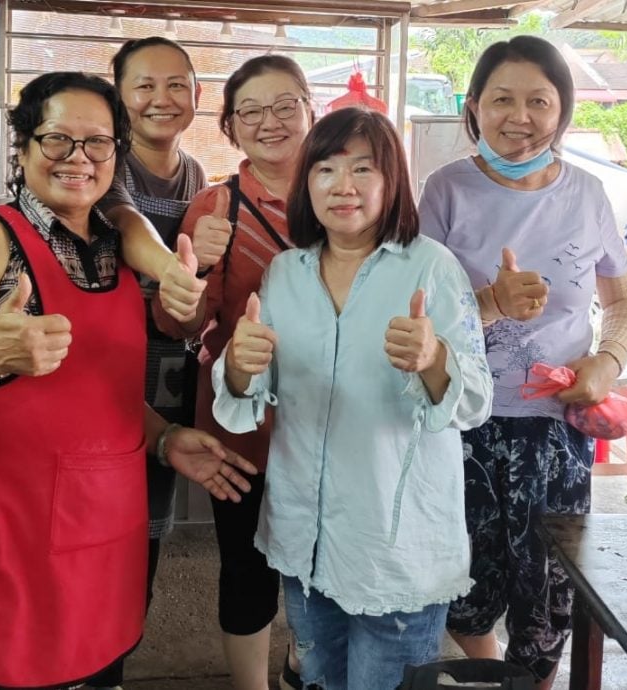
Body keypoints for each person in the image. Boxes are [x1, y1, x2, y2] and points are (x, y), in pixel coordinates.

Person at [0, 71, 256, 690]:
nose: (78, 158)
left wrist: (166, 438)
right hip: (4, 541)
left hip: (102, 538)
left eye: (97, 143)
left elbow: (101, 395)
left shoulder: (113, 246)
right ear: (24, 147)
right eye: (57, 140)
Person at [211, 106, 493, 690]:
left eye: (364, 169)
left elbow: (473, 404)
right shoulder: (285, 273)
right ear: (305, 181)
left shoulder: (431, 268)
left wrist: (435, 359)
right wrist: (238, 368)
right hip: (305, 540)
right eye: (326, 169)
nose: (343, 187)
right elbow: (250, 396)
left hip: (393, 549)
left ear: (392, 181)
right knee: (318, 679)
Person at [418, 36, 627, 689]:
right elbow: (412, 313)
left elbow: (618, 299)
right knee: (464, 594)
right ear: (473, 107)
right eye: (501, 99)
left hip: (556, 435)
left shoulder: (589, 193)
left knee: (548, 609)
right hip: (461, 426)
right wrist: (486, 301)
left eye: (538, 100)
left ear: (561, 111)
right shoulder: (443, 190)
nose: (519, 115)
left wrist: (607, 360)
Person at [149, 54, 313, 690]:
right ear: (230, 127)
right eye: (250, 111)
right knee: (247, 564)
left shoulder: (351, 195)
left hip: (335, 421)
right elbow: (183, 330)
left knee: (322, 561)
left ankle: (306, 662)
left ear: (310, 110)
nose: (268, 122)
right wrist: (187, 288)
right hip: (245, 423)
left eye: (284, 105)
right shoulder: (215, 207)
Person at [88, 35, 208, 690]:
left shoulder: (199, 179)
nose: (160, 99)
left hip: (169, 380)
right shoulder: (105, 163)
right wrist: (172, 271)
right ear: (120, 96)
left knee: (144, 538)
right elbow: (127, 221)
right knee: (93, 534)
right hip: (102, 376)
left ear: (196, 95)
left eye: (176, 85)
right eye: (143, 85)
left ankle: (112, 661)